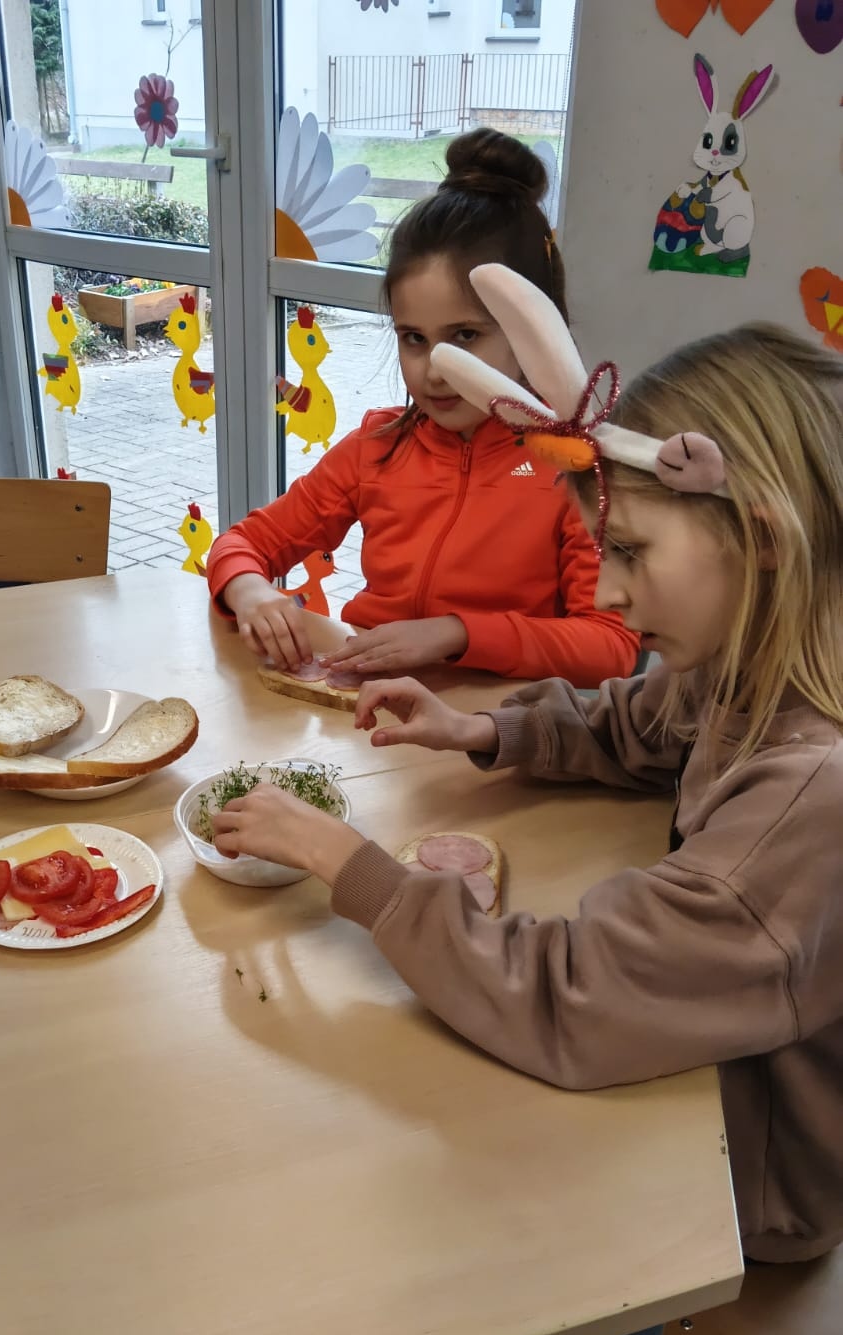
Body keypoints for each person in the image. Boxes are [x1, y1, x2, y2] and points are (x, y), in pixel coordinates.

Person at [211, 264, 843, 1273]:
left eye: (629, 553)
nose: (613, 597)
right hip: (691, 1075)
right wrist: (482, 732)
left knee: (393, 1201)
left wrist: (348, 863)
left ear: (761, 539)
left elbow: (570, 992)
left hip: (739, 1190)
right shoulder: (749, 665)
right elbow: (640, 726)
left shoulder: (812, 791)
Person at [207, 128, 639, 689]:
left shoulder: (577, 471)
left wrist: (457, 634)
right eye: (413, 337)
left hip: (493, 727)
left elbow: (610, 647)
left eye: (465, 336)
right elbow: (242, 544)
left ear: (533, 330)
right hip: (368, 716)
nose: (434, 369)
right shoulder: (376, 449)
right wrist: (249, 591)